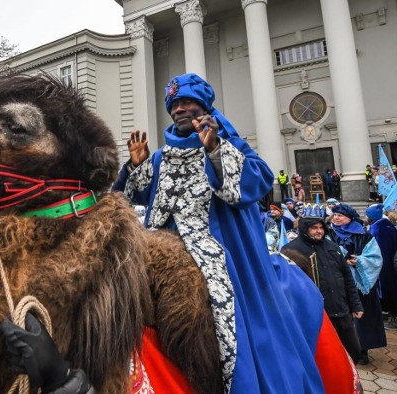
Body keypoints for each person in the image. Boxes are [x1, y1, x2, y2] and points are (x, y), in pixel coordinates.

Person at [112, 73, 327, 392]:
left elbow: (255, 182)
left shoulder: (227, 143)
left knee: (224, 320)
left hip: (216, 258)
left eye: (187, 103)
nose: (179, 110)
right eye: (174, 105)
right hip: (159, 254)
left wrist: (214, 150)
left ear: (203, 107)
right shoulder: (159, 156)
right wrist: (136, 167)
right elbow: (135, 197)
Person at [281, 206, 363, 363]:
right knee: (325, 359)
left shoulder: (332, 247)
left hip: (341, 310)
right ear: (305, 228)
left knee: (353, 351)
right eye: (314, 228)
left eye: (321, 228)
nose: (319, 231)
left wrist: (356, 305)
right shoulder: (290, 250)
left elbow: (347, 277)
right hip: (317, 315)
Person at [327, 203, 384, 365]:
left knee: (361, 318)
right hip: (337, 283)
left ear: (350, 218)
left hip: (359, 283)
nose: (336, 218)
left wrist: (358, 261)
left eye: (340, 215)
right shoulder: (328, 233)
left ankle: (362, 350)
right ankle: (342, 350)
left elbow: (375, 258)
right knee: (341, 317)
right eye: (335, 215)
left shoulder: (364, 235)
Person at [365, 204, 397, 330]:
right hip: (389, 264)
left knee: (387, 289)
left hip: (384, 265)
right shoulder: (386, 225)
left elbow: (379, 250)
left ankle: (392, 315)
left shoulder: (378, 229)